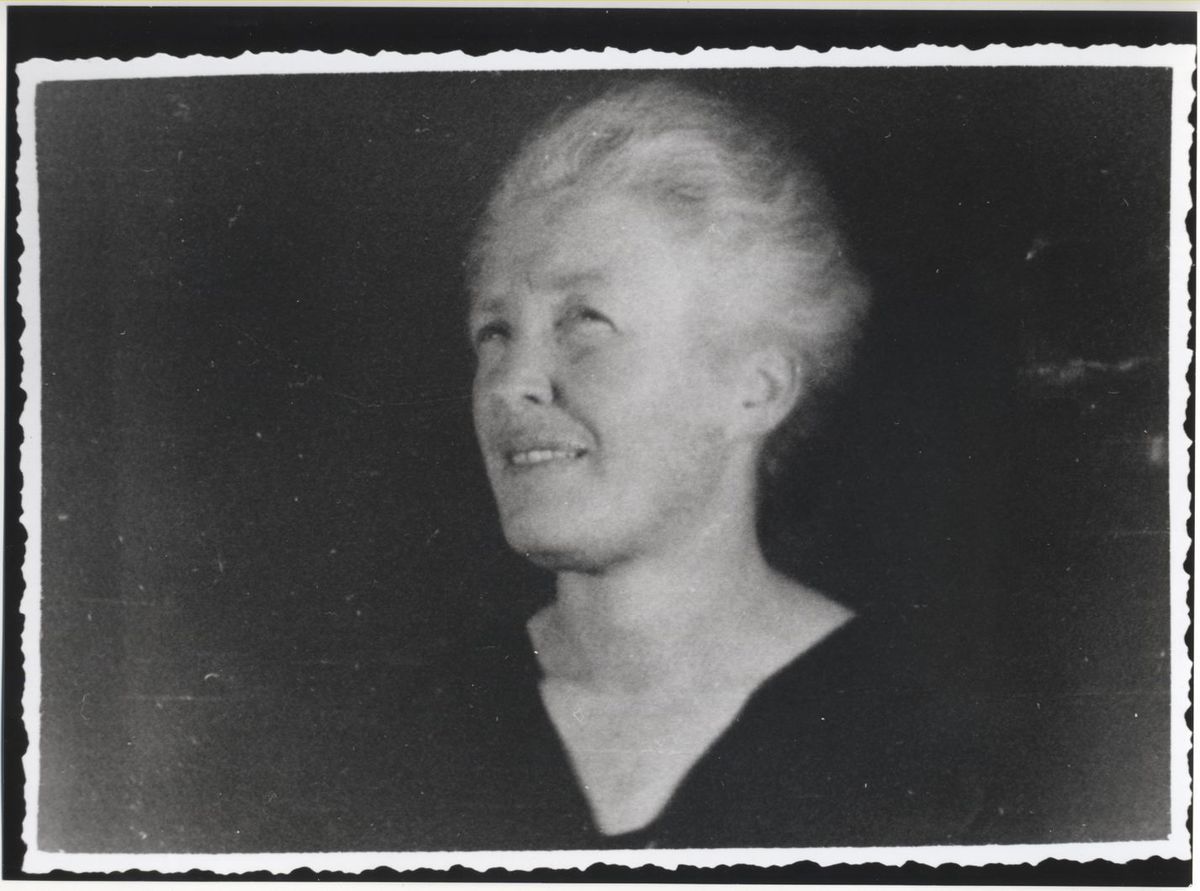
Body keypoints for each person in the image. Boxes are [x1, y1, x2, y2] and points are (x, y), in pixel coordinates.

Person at [300, 79, 1002, 853]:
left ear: (755, 388)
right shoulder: (399, 743)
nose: (508, 384)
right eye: (495, 332)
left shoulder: (920, 745)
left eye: (584, 321)